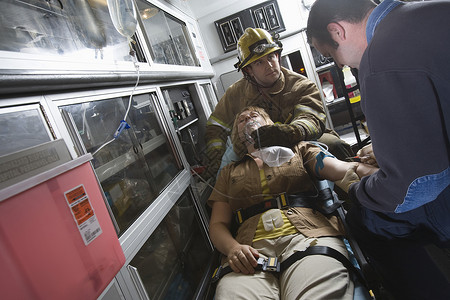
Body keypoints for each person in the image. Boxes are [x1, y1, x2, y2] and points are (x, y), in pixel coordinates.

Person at [306, 0, 450, 299]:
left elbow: (414, 187)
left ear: (337, 31)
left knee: (366, 218)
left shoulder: (378, 61)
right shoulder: (430, 12)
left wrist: (359, 187)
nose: (341, 64)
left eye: (331, 54)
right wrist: (386, 149)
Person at [208, 106, 377, 300]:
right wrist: (233, 249)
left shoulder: (299, 150)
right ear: (237, 135)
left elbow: (341, 169)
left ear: (271, 124)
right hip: (250, 252)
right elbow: (218, 224)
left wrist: (377, 174)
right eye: (241, 119)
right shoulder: (229, 171)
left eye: (255, 115)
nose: (248, 118)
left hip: (307, 238)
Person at [205, 27, 354, 179]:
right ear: (248, 70)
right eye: (259, 62)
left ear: (278, 56)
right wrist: (216, 157)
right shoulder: (235, 93)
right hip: (255, 151)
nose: (269, 65)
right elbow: (216, 126)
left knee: (335, 145)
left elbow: (311, 119)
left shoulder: (301, 85)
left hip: (301, 141)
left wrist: (289, 132)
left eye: (271, 57)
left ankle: (355, 192)